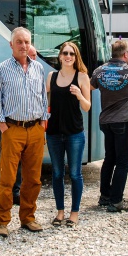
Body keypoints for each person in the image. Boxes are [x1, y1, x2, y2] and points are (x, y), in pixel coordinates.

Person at [0, 27, 49, 237]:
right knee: (7, 179)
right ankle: (2, 222)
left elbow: (43, 97)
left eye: (26, 42)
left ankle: (28, 218)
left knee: (33, 179)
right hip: (12, 129)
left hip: (34, 130)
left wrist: (43, 123)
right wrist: (3, 127)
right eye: (19, 42)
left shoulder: (38, 68)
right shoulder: (1, 69)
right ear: (11, 45)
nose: (23, 46)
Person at [90, 40, 128, 213]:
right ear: (126, 54)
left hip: (106, 121)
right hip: (126, 121)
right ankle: (116, 201)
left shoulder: (99, 71)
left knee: (109, 159)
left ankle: (105, 196)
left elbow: (91, 87)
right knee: (123, 163)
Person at [46, 41, 91, 228]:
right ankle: (60, 212)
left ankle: (74, 213)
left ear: (76, 56)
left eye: (72, 53)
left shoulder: (82, 77)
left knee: (75, 174)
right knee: (57, 173)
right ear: (60, 56)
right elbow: (45, 101)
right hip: (54, 132)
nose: (68, 56)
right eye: (65, 53)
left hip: (74, 134)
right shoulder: (51, 76)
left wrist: (80, 95)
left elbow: (87, 107)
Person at [0, 46, 33, 211]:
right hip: (9, 125)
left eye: (34, 55)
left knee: (17, 159)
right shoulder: (3, 69)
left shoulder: (35, 71)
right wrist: (4, 128)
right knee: (0, 159)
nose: (32, 57)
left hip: (26, 126)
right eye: (31, 54)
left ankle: (15, 191)